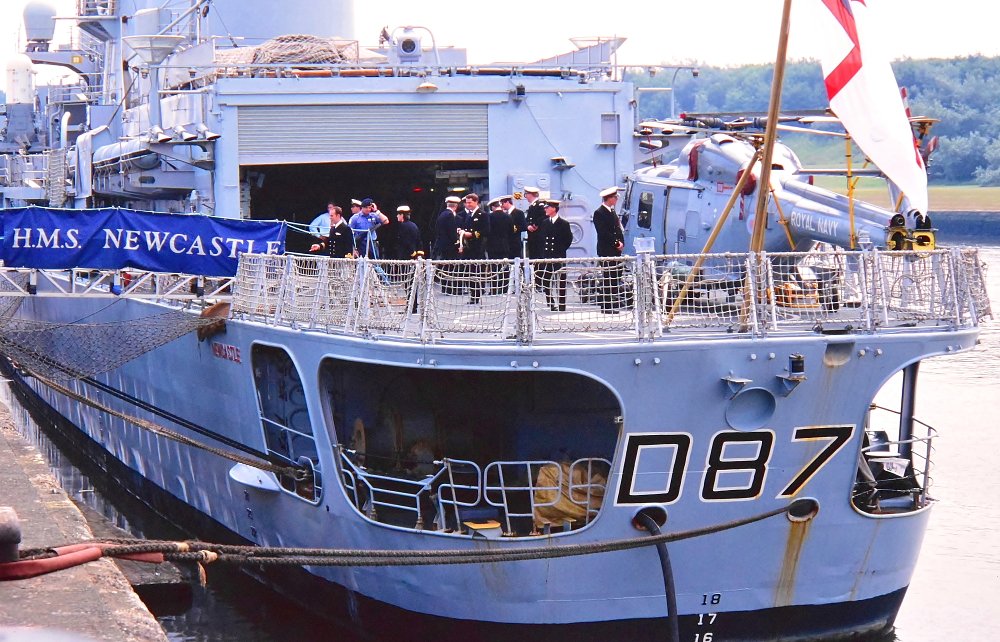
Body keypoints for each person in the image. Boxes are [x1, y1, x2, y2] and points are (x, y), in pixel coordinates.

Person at [593, 186, 627, 313]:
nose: (616, 199)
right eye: (614, 197)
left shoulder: (612, 212)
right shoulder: (599, 213)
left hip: (615, 250)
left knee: (615, 277)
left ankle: (612, 303)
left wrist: (621, 242)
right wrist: (615, 242)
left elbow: (617, 229)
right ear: (608, 198)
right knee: (608, 278)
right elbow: (603, 232)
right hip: (606, 250)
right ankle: (606, 305)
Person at [538, 200, 573, 311]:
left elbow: (568, 239)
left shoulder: (564, 223)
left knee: (561, 280)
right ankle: (550, 302)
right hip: (547, 255)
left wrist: (561, 250)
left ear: (554, 208)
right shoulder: (544, 223)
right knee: (547, 279)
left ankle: (562, 304)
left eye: (547, 207)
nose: (545, 209)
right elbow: (542, 239)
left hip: (559, 254)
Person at [458, 193, 490, 303]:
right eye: (466, 203)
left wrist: (471, 235)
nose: (468, 204)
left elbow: (486, 231)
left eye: (470, 202)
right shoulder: (468, 215)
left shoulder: (482, 215)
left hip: (477, 247)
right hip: (468, 248)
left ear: (476, 202)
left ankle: (477, 295)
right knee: (468, 272)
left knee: (476, 272)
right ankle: (473, 294)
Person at [433, 195, 465, 294]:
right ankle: (453, 289)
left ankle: (446, 288)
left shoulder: (442, 214)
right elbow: (451, 232)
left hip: (443, 245)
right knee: (453, 268)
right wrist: (457, 243)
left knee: (445, 268)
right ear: (455, 206)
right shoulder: (450, 215)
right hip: (450, 246)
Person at [487, 197, 513, 294]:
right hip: (504, 244)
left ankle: (493, 289)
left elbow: (488, 231)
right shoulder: (508, 216)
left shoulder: (489, 217)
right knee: (505, 267)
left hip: (492, 245)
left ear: (493, 207)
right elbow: (511, 231)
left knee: (493, 268)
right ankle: (504, 288)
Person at [523, 186, 546, 262]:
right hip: (532, 237)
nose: (525, 196)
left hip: (538, 236)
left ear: (530, 194)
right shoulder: (532, 206)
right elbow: (527, 219)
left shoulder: (539, 205)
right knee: (533, 256)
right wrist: (527, 226)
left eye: (526, 194)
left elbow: (543, 216)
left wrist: (535, 225)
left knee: (538, 257)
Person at [500, 195, 526, 259]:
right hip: (506, 243)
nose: (502, 206)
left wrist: (513, 229)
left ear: (507, 202)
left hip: (515, 242)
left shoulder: (519, 213)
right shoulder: (505, 214)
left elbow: (524, 226)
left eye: (503, 203)